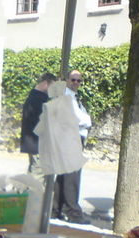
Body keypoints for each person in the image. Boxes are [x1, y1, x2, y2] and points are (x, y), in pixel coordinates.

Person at [53, 69, 91, 223]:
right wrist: (87, 121)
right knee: (72, 177)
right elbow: (78, 118)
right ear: (67, 80)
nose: (76, 83)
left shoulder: (73, 97)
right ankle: (73, 213)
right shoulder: (66, 96)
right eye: (73, 79)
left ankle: (55, 209)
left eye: (78, 80)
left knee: (64, 175)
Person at [20, 72, 56, 183]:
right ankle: (32, 194)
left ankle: (29, 193)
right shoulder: (39, 100)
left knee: (33, 174)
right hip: (38, 145)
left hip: (33, 144)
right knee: (37, 177)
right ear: (45, 84)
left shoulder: (34, 97)